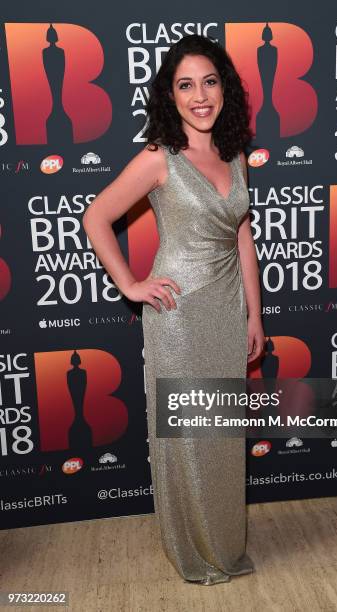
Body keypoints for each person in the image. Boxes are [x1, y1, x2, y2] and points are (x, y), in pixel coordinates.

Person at [82, 34, 265, 585]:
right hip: (180, 316)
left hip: (227, 308)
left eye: (210, 82)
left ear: (224, 89)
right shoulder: (158, 157)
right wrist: (131, 284)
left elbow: (242, 240)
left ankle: (225, 544)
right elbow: (96, 218)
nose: (200, 95)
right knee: (189, 436)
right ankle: (196, 552)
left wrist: (255, 315)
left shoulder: (232, 154)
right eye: (186, 85)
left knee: (223, 436)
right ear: (171, 95)